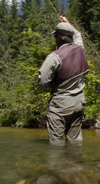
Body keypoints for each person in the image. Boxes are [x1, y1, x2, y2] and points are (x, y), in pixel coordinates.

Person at [38, 16, 89, 144]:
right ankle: (75, 163)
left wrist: (53, 83)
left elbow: (42, 83)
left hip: (60, 104)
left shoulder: (54, 57)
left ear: (59, 38)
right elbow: (77, 34)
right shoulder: (80, 49)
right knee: (75, 142)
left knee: (56, 144)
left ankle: (57, 163)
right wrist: (68, 24)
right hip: (79, 102)